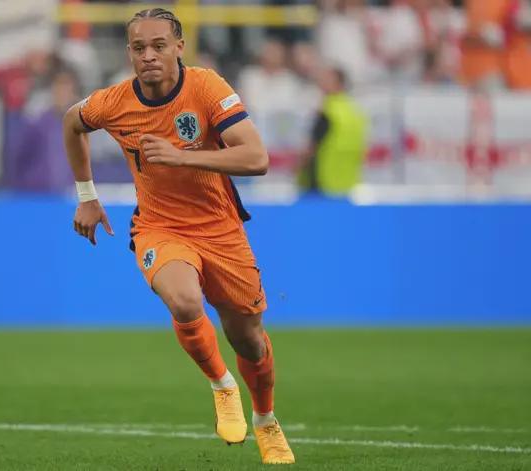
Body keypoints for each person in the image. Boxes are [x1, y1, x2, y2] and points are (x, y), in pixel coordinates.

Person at [62, 8, 295, 465]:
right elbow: (73, 123)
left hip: (220, 228)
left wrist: (183, 157)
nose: (148, 56)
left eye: (158, 46)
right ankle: (222, 385)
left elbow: (256, 158)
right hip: (160, 227)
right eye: (138, 48)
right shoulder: (113, 102)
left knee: (249, 339)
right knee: (185, 302)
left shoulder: (206, 87)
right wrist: (87, 196)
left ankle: (266, 418)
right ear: (129, 53)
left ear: (179, 48)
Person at [299, 67, 367, 195]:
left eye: (326, 79)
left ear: (338, 83)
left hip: (322, 181)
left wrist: (298, 168)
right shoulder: (356, 112)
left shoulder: (327, 111)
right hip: (348, 182)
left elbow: (311, 148)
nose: (321, 83)